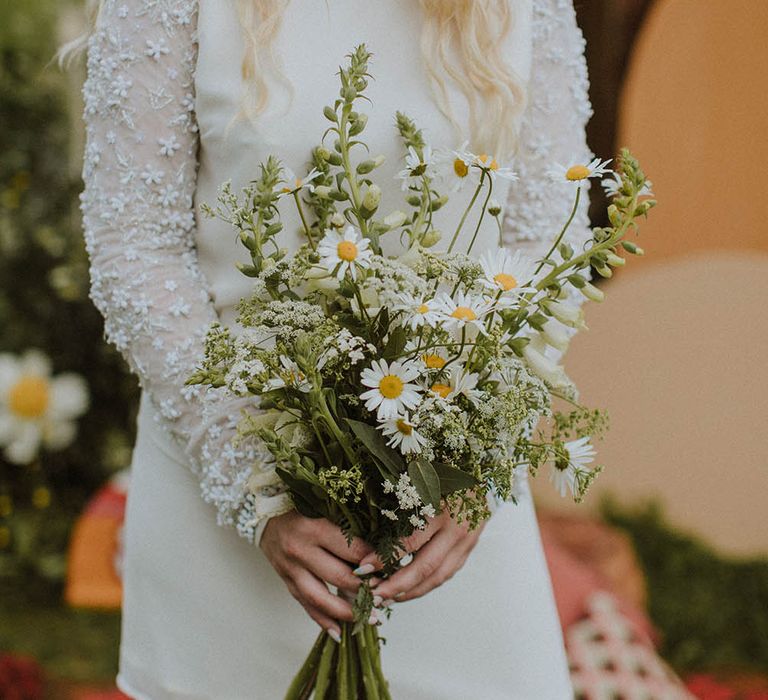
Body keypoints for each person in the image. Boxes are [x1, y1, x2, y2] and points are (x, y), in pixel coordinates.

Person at [78, 0, 594, 696]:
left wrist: (478, 463)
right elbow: (134, 245)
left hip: (447, 513)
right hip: (225, 504)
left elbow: (548, 236)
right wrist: (256, 488)